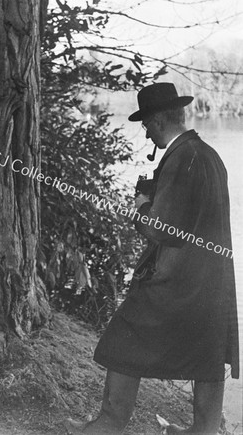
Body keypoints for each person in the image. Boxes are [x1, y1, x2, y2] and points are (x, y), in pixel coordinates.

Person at [64, 83, 240, 435]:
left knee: (121, 339)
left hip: (174, 282)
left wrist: (142, 205)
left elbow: (165, 231)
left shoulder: (179, 159)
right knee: (207, 354)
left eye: (145, 122)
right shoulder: (208, 155)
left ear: (159, 120)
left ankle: (109, 423)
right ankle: (204, 431)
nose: (144, 129)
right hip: (211, 282)